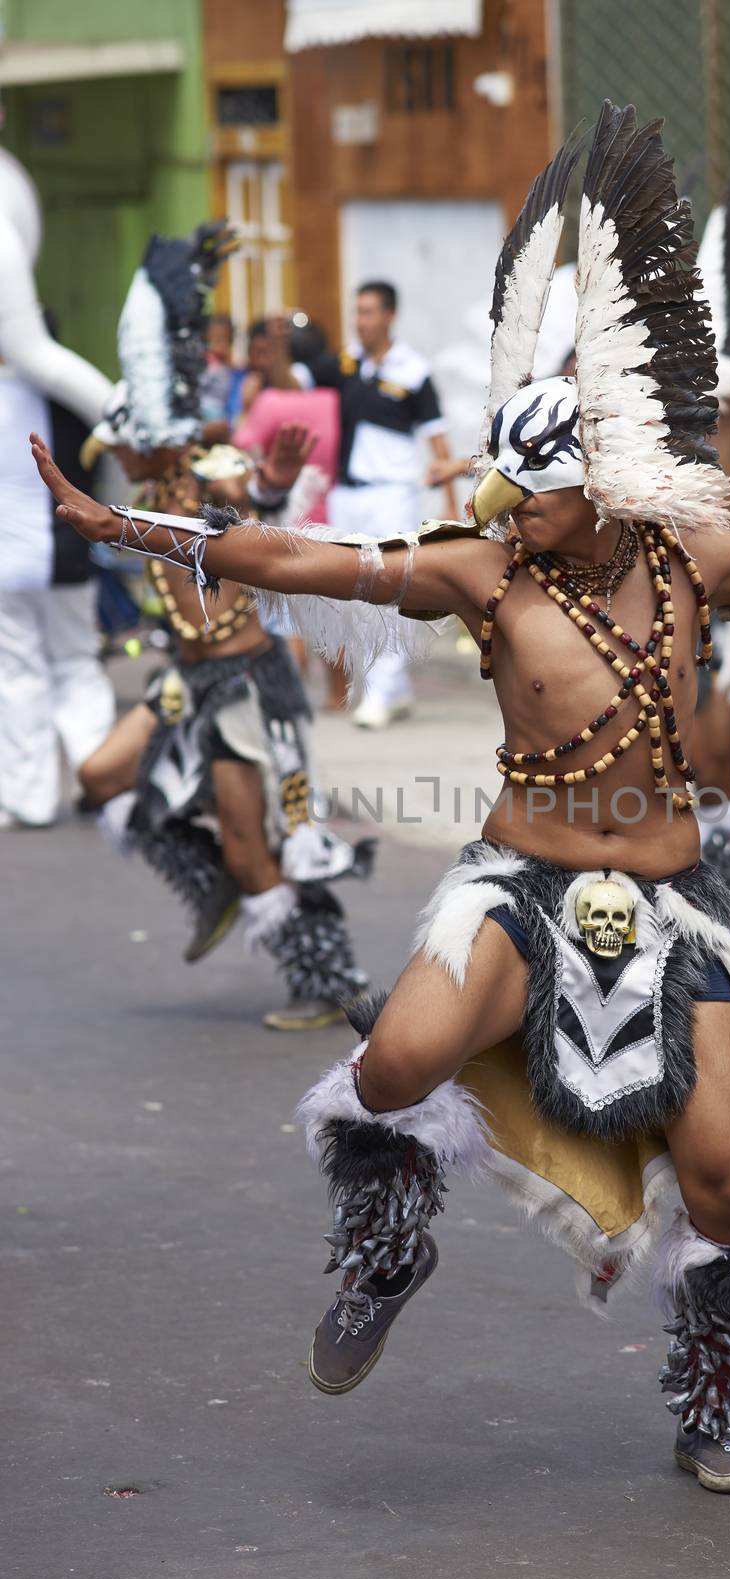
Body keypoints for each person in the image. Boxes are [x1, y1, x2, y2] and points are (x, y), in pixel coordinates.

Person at [30, 105, 730, 1496]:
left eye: (538, 497)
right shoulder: (481, 569)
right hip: (510, 893)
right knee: (391, 1068)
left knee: (720, 1181)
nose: (510, 510)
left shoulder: (702, 559)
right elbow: (315, 563)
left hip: (668, 913)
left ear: (602, 491)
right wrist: (142, 527)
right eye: (506, 495)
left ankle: (720, 1399)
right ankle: (388, 1250)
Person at [72, 222, 374, 1029]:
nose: (118, 461)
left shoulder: (213, 472)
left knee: (258, 845)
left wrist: (272, 490)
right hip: (186, 681)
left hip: (243, 687)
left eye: (122, 447)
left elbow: (252, 513)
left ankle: (328, 980)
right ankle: (215, 887)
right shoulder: (148, 484)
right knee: (102, 778)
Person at [313, 279, 459, 728]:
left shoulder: (413, 370)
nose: (361, 321)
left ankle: (381, 690)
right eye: (357, 312)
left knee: (388, 591)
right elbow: (295, 384)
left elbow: (437, 442)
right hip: (346, 493)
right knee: (351, 596)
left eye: (369, 312)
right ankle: (390, 689)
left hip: (392, 494)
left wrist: (451, 507)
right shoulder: (343, 365)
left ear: (390, 316)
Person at [0, 352, 114, 829]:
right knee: (77, 667)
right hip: (69, 555)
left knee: (17, 675)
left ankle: (30, 798)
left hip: (7, 563)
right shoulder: (73, 397)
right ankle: (103, 785)